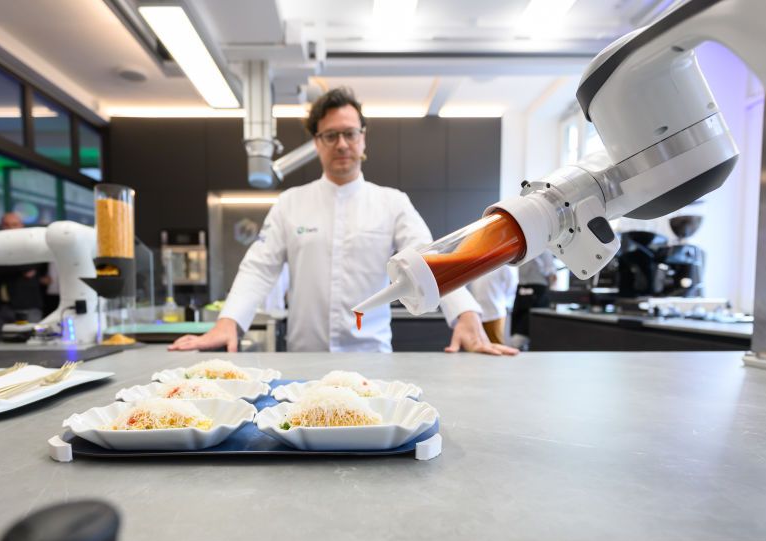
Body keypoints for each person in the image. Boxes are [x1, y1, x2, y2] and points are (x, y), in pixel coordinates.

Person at [170, 88, 516, 355]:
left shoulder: (392, 203)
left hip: (373, 362)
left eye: (350, 133)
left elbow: (431, 260)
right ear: (316, 143)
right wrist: (228, 322)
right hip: (305, 362)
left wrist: (465, 314)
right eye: (330, 136)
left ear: (363, 138)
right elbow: (259, 267)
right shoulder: (290, 203)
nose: (341, 144)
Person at [0, 212, 48, 331]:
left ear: (21, 226)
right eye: (6, 225)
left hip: (26, 305)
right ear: (1, 226)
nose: (10, 229)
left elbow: (31, 265)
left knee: (30, 341)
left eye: (14, 225)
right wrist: (19, 267)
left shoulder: (32, 244)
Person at [509, 251, 557, 351]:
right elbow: (551, 275)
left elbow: (551, 275)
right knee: (519, 331)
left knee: (521, 335)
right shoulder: (537, 249)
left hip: (531, 291)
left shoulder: (539, 250)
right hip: (528, 290)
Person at [468, 264, 517, 346]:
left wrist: (504, 302)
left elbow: (511, 285)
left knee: (496, 346)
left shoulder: (505, 264)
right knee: (477, 345)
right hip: (476, 312)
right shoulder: (476, 262)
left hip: (495, 311)